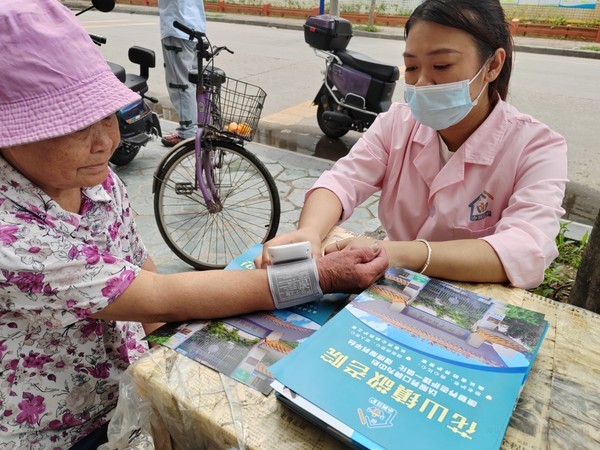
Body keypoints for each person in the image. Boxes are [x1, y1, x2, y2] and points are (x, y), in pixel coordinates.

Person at [0, 2, 388, 448]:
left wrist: (164, 373)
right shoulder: (10, 233)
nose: (105, 142)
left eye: (106, 116)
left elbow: (141, 267)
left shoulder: (95, 178)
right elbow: (159, 297)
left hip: (124, 389)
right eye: (72, 127)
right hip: (57, 429)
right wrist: (317, 276)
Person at [256, 0, 568, 290]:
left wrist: (398, 253)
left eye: (441, 67)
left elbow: (526, 249)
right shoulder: (397, 124)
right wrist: (310, 231)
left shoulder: (537, 148)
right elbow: (342, 181)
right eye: (413, 68)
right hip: (391, 290)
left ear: (493, 65)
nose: (421, 84)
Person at [158, 0, 206, 147]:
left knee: (180, 85)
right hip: (195, 26)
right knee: (192, 83)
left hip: (178, 27)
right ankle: (198, 128)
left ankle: (187, 133)